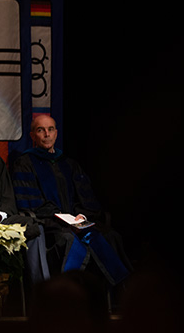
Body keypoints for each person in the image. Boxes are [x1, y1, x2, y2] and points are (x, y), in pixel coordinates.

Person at [11, 114, 130, 286]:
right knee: (68, 240)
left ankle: (115, 295)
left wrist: (81, 215)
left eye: (50, 129)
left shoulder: (69, 164)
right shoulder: (24, 163)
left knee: (111, 237)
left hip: (77, 223)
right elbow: (30, 203)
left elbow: (86, 197)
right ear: (32, 136)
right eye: (40, 130)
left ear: (56, 133)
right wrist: (63, 219)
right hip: (50, 226)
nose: (46, 134)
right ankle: (64, 295)